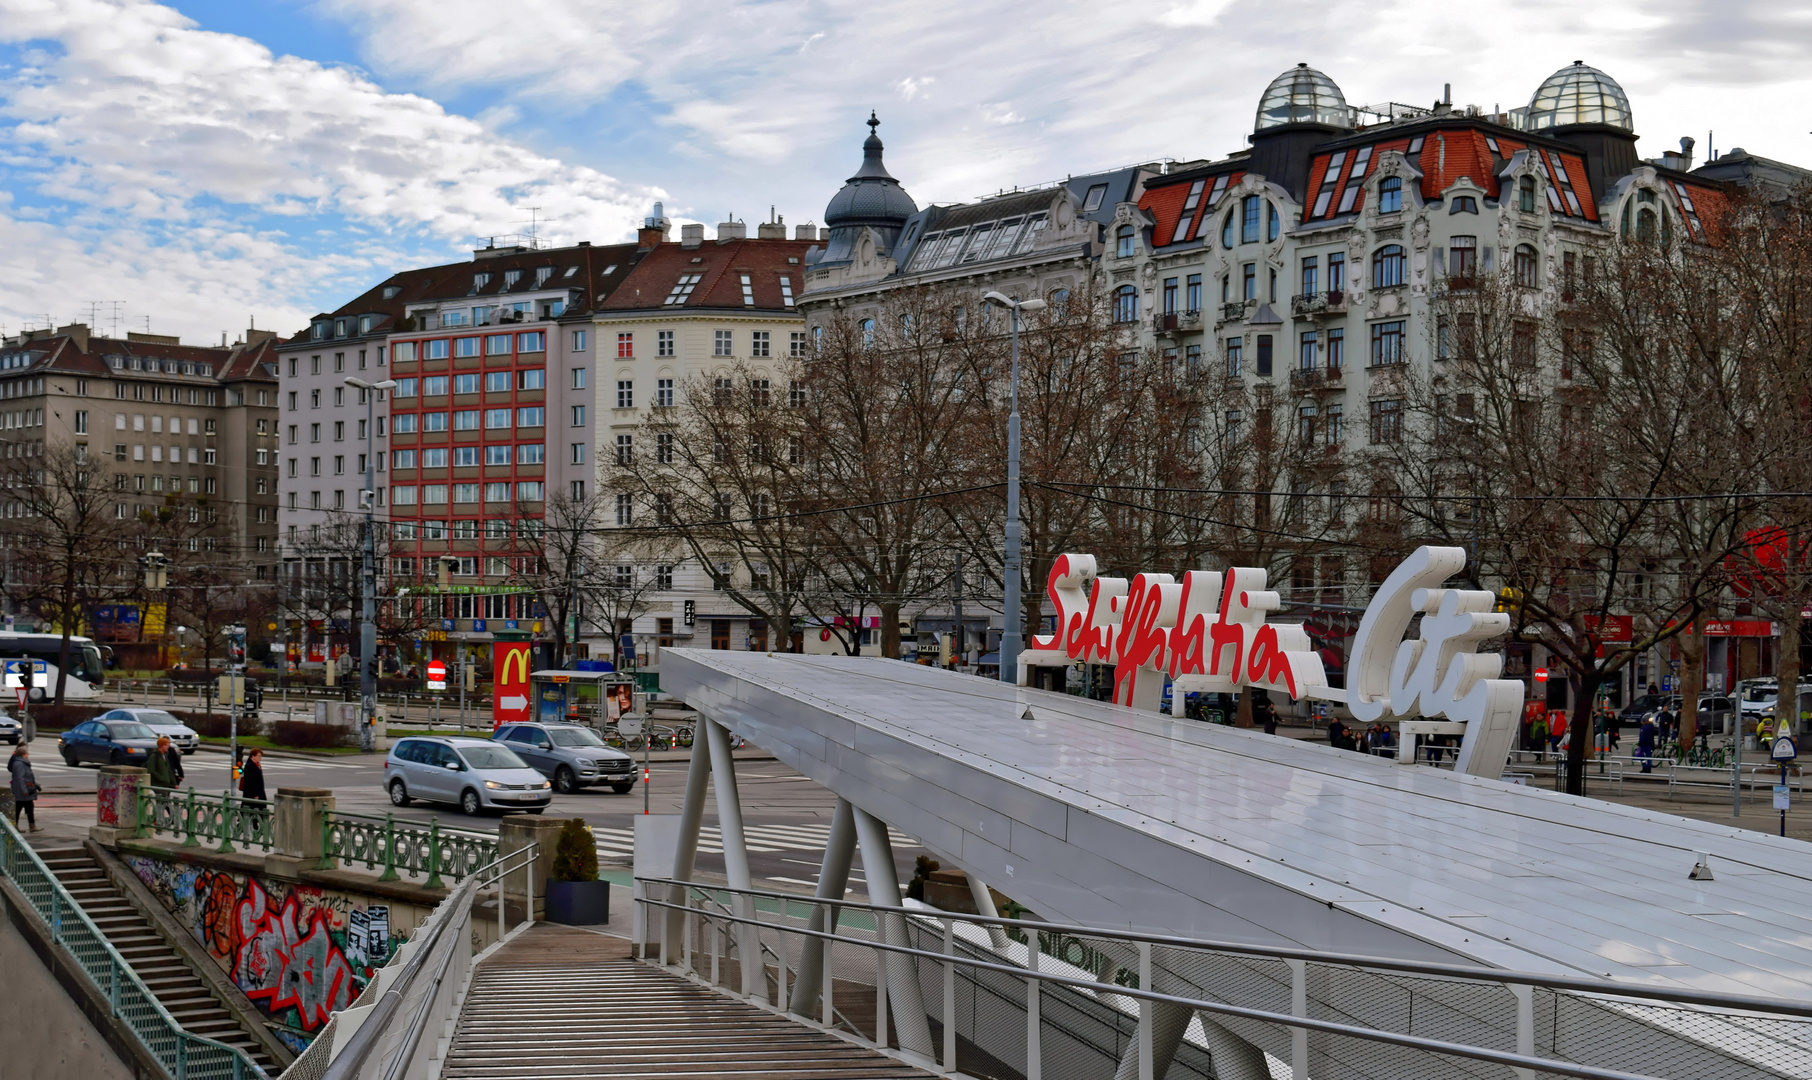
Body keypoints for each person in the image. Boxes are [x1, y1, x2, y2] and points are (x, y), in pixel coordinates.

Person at [9, 745, 40, 832]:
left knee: (29, 807)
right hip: (21, 791)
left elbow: (28, 777)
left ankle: (32, 826)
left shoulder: (23, 763)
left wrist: (36, 785)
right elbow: (20, 778)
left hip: (26, 789)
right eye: (27, 753)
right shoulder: (19, 764)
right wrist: (25, 790)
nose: (28, 754)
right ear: (23, 754)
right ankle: (15, 826)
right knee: (18, 808)